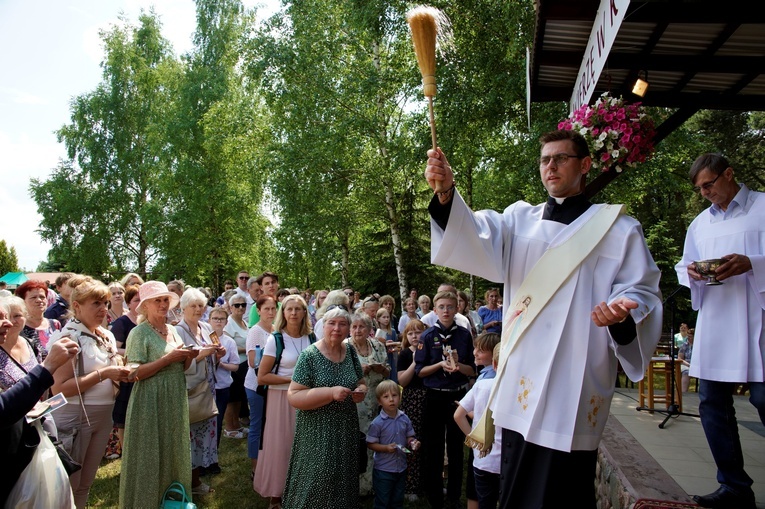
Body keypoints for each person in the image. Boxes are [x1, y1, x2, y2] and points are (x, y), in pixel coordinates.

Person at [424, 129, 662, 507]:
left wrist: (621, 316)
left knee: (564, 489)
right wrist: (447, 194)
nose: (550, 166)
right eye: (544, 159)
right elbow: (472, 235)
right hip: (522, 379)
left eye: (560, 158)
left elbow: (642, 291)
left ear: (584, 165)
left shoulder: (618, 231)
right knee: (516, 483)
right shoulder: (520, 221)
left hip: (575, 379)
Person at [675, 153, 765, 509]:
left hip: (757, 315)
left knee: (762, 399)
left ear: (729, 173)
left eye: (709, 184)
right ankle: (734, 486)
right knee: (712, 402)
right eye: (699, 189)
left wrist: (752, 263)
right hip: (716, 319)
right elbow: (684, 265)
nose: (705, 193)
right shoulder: (699, 225)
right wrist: (692, 273)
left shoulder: (763, 207)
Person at [49, 277, 131, 509]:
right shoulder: (69, 338)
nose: (103, 309)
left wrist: (121, 374)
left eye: (104, 303)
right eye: (96, 303)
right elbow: (59, 388)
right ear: (77, 306)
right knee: (68, 485)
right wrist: (105, 373)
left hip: (103, 415)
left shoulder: (105, 335)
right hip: (74, 417)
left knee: (86, 484)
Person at [118, 281, 198, 508]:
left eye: (165, 300)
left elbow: (179, 368)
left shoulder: (172, 329)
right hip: (149, 401)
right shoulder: (138, 333)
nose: (163, 304)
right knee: (150, 453)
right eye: (157, 300)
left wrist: (187, 357)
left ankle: (172, 500)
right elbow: (133, 374)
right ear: (144, 306)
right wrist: (167, 360)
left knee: (173, 450)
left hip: (174, 397)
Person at [282, 305, 367, 509]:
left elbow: (361, 380)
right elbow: (293, 396)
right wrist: (330, 393)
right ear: (323, 326)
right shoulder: (309, 356)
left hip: (345, 429)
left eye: (342, 324)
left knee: (343, 476)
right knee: (318, 478)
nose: (337, 328)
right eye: (332, 323)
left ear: (348, 329)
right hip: (317, 432)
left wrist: (361, 390)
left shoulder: (350, 351)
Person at [0, 298, 79, 508]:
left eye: (7, 317)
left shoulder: (27, 341)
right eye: (0, 319)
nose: (7, 323)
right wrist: (48, 366)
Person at [414, 290, 475, 509]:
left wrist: (459, 366)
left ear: (457, 308)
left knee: (457, 447)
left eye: (450, 306)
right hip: (435, 396)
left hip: (457, 397)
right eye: (442, 307)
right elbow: (419, 371)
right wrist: (440, 365)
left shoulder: (464, 335)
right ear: (435, 310)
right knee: (434, 447)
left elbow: (472, 370)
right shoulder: (428, 336)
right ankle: (435, 495)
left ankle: (454, 496)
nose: (446, 311)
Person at [253, 294, 315, 508]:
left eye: (298, 309)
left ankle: (302, 491)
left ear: (305, 312)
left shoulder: (312, 339)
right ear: (283, 312)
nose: (294, 313)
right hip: (281, 399)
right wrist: (294, 380)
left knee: (305, 445)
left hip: (308, 399)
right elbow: (262, 376)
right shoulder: (276, 339)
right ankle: (276, 496)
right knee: (281, 446)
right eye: (289, 309)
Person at [176, 287, 225, 493]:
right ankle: (190, 481)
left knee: (204, 432)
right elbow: (178, 361)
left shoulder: (206, 327)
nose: (198, 309)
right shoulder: (177, 331)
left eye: (201, 305)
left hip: (208, 387)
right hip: (190, 390)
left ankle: (197, 478)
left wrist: (218, 353)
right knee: (189, 436)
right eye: (193, 306)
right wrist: (201, 354)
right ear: (183, 308)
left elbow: (216, 348)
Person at [454, 343, 503, 509]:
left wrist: (474, 437)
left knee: (485, 502)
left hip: (483, 460)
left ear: (494, 364)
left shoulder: (481, 385)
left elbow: (458, 415)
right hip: (508, 460)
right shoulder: (520, 389)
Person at [348, 312, 390, 495]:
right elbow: (339, 375)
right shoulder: (344, 347)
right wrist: (359, 371)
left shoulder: (378, 345)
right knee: (354, 443)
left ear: (369, 329)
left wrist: (381, 368)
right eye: (354, 326)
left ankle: (369, 485)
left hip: (375, 401)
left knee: (373, 441)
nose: (357, 330)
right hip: (354, 402)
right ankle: (351, 487)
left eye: (361, 326)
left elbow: (388, 372)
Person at [366, 379, 420, 509]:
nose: (391, 399)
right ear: (379, 401)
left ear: (400, 397)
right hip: (383, 470)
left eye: (394, 395)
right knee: (382, 501)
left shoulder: (404, 418)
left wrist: (413, 443)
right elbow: (370, 444)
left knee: (397, 500)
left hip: (401, 467)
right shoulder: (377, 423)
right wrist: (385, 448)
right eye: (386, 397)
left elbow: (409, 436)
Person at [244, 294, 277, 478]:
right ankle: (255, 467)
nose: (271, 312)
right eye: (266, 309)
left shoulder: (275, 329)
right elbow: (252, 361)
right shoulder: (256, 331)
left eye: (273, 308)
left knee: (269, 424)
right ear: (258, 311)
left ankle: (267, 461)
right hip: (256, 385)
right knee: (257, 425)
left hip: (270, 384)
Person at [396, 319, 427, 501]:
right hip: (412, 399)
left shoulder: (432, 351)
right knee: (412, 441)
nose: (415, 336)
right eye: (411, 333)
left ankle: (430, 482)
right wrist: (416, 362)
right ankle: (411, 485)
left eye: (418, 332)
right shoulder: (405, 354)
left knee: (431, 440)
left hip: (429, 398)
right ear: (406, 337)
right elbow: (402, 381)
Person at [109, 284, 141, 455]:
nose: (140, 303)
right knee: (124, 418)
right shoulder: (123, 322)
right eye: (136, 300)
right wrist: (134, 352)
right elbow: (114, 348)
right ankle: (126, 452)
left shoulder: (149, 321)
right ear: (128, 303)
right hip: (127, 375)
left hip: (144, 375)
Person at [208, 306, 239, 475]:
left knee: (217, 423)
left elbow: (235, 366)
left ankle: (213, 460)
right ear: (209, 320)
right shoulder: (203, 339)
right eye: (215, 318)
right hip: (205, 388)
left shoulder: (229, 342)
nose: (218, 322)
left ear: (226, 322)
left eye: (221, 319)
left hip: (222, 387)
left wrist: (221, 364)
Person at [0, 296, 44, 392]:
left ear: (25, 316)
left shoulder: (30, 344)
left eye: (17, 316)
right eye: (7, 317)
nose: (11, 321)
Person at [222, 293, 250, 439]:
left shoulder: (244, 322)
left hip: (244, 365)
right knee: (232, 398)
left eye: (243, 305)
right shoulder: (228, 323)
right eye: (237, 305)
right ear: (231, 307)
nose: (240, 307)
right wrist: (247, 349)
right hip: (234, 363)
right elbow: (227, 345)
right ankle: (229, 428)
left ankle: (237, 425)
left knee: (239, 396)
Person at [16, 279, 61, 358]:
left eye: (42, 297)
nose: (39, 300)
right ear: (23, 301)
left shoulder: (55, 324)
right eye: (33, 297)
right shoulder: (18, 327)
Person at [375, 306, 399, 383]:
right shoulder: (377, 331)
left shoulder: (392, 331)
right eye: (384, 317)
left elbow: (396, 345)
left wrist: (393, 347)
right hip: (381, 358)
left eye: (388, 317)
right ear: (378, 319)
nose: (386, 319)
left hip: (390, 356)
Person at [678, 328, 695, 393]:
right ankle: (683, 393)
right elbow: (680, 358)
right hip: (685, 364)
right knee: (686, 372)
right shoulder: (684, 345)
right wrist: (688, 364)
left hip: (696, 365)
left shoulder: (698, 345)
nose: (689, 338)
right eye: (688, 336)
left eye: (691, 337)